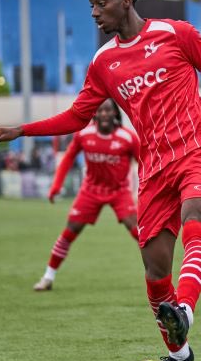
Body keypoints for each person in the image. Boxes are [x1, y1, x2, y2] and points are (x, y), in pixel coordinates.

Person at [0, 0, 201, 361]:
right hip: (154, 167)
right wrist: (21, 130)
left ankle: (185, 309)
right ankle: (178, 352)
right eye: (91, 6)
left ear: (126, 1)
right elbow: (75, 117)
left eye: (101, 3)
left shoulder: (177, 34)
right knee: (155, 270)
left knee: (195, 217)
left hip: (197, 149)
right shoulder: (103, 63)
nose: (95, 13)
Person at [34, 98, 141, 291]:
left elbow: (145, 163)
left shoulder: (128, 138)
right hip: (91, 190)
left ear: (116, 113)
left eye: (108, 110)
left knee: (138, 232)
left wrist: (147, 191)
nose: (104, 114)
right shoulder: (84, 135)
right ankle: (48, 277)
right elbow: (67, 158)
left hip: (119, 191)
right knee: (69, 232)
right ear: (94, 114)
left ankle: (159, 276)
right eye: (100, 111)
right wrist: (56, 186)